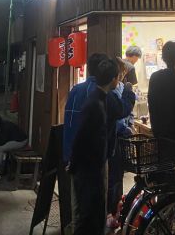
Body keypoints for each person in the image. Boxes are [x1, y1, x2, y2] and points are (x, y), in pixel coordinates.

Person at [68, 59, 119, 235]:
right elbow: (81, 136)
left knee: (92, 216)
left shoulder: (99, 98)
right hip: (88, 170)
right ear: (114, 79)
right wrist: (74, 165)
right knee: (89, 217)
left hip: (91, 168)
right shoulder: (95, 103)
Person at [63, 52, 135, 165]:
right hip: (94, 157)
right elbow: (119, 121)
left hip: (72, 153)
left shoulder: (75, 90)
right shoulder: (104, 93)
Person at [107, 58, 135, 221]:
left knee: (117, 177)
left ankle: (115, 211)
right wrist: (125, 128)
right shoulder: (111, 91)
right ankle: (111, 212)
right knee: (113, 178)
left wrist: (130, 123)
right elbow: (119, 114)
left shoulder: (122, 87)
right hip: (114, 138)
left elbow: (127, 113)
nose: (124, 75)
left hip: (119, 139)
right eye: (123, 71)